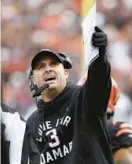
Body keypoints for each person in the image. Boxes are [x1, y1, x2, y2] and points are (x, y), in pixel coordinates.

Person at [26, 26, 114, 164]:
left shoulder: (84, 97)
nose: (48, 69)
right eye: (41, 67)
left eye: (54, 64)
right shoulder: (31, 123)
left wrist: (99, 56)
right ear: (33, 81)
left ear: (66, 73)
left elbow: (99, 78)